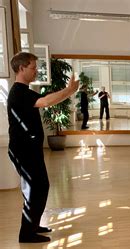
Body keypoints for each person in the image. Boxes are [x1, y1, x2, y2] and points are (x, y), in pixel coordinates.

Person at [7, 52, 79, 243]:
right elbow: (47, 101)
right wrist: (69, 90)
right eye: (33, 67)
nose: (36, 71)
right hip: (23, 150)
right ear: (21, 68)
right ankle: (27, 234)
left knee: (39, 187)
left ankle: (33, 226)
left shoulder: (25, 91)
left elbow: (46, 99)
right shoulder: (19, 92)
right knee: (35, 189)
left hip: (29, 149)